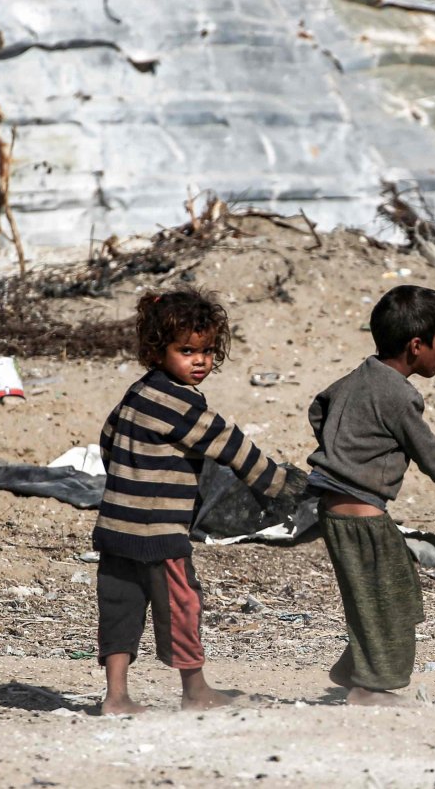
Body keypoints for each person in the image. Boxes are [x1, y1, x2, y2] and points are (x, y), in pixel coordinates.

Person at [91, 289, 297, 715]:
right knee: (181, 606)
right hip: (159, 531)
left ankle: (115, 697)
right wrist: (279, 483)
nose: (199, 361)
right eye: (187, 351)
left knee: (120, 609)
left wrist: (126, 480)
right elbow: (228, 443)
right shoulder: (179, 401)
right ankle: (195, 691)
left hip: (114, 528)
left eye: (206, 351)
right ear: (157, 350)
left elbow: (108, 439)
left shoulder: (137, 392)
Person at [306, 285, 435, 706]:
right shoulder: (399, 395)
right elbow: (429, 453)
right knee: (383, 600)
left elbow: (318, 408)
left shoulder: (359, 376)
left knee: (398, 593)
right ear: (416, 345)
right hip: (361, 518)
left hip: (346, 513)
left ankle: (353, 667)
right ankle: (369, 689)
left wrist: (342, 448)